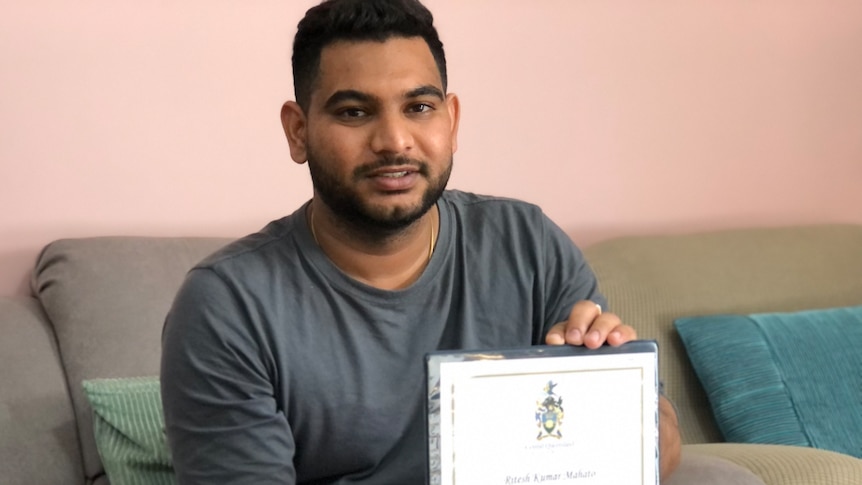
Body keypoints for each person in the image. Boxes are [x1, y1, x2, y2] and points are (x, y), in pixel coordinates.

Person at [160, 0, 682, 483]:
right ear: (298, 132)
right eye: (353, 112)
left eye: (418, 108)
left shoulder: (529, 245)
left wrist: (609, 388)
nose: (394, 141)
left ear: (451, 121)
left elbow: (661, 451)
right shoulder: (227, 305)